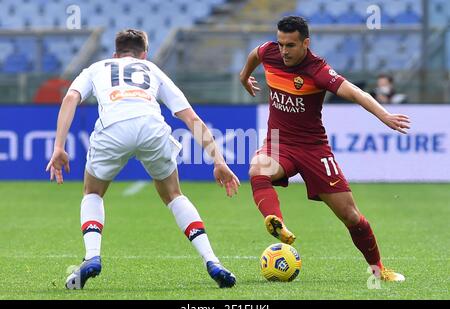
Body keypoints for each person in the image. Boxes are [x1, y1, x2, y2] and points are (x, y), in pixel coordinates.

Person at [46, 29, 240, 289]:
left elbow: (71, 97)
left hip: (113, 128)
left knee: (92, 191)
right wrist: (218, 160)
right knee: (173, 195)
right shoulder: (152, 70)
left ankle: (92, 256)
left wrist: (59, 146)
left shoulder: (97, 67)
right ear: (144, 54)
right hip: (151, 127)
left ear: (115, 54)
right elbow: (190, 118)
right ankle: (212, 260)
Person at [239, 16, 410, 281]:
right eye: (281, 43)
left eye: (291, 45)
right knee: (257, 168)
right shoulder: (269, 52)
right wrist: (244, 77)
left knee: (351, 216)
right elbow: (255, 54)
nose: (284, 51)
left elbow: (355, 92)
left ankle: (378, 269)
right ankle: (278, 224)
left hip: (314, 149)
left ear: (306, 43)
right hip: (279, 142)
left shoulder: (317, 69)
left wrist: (384, 115)